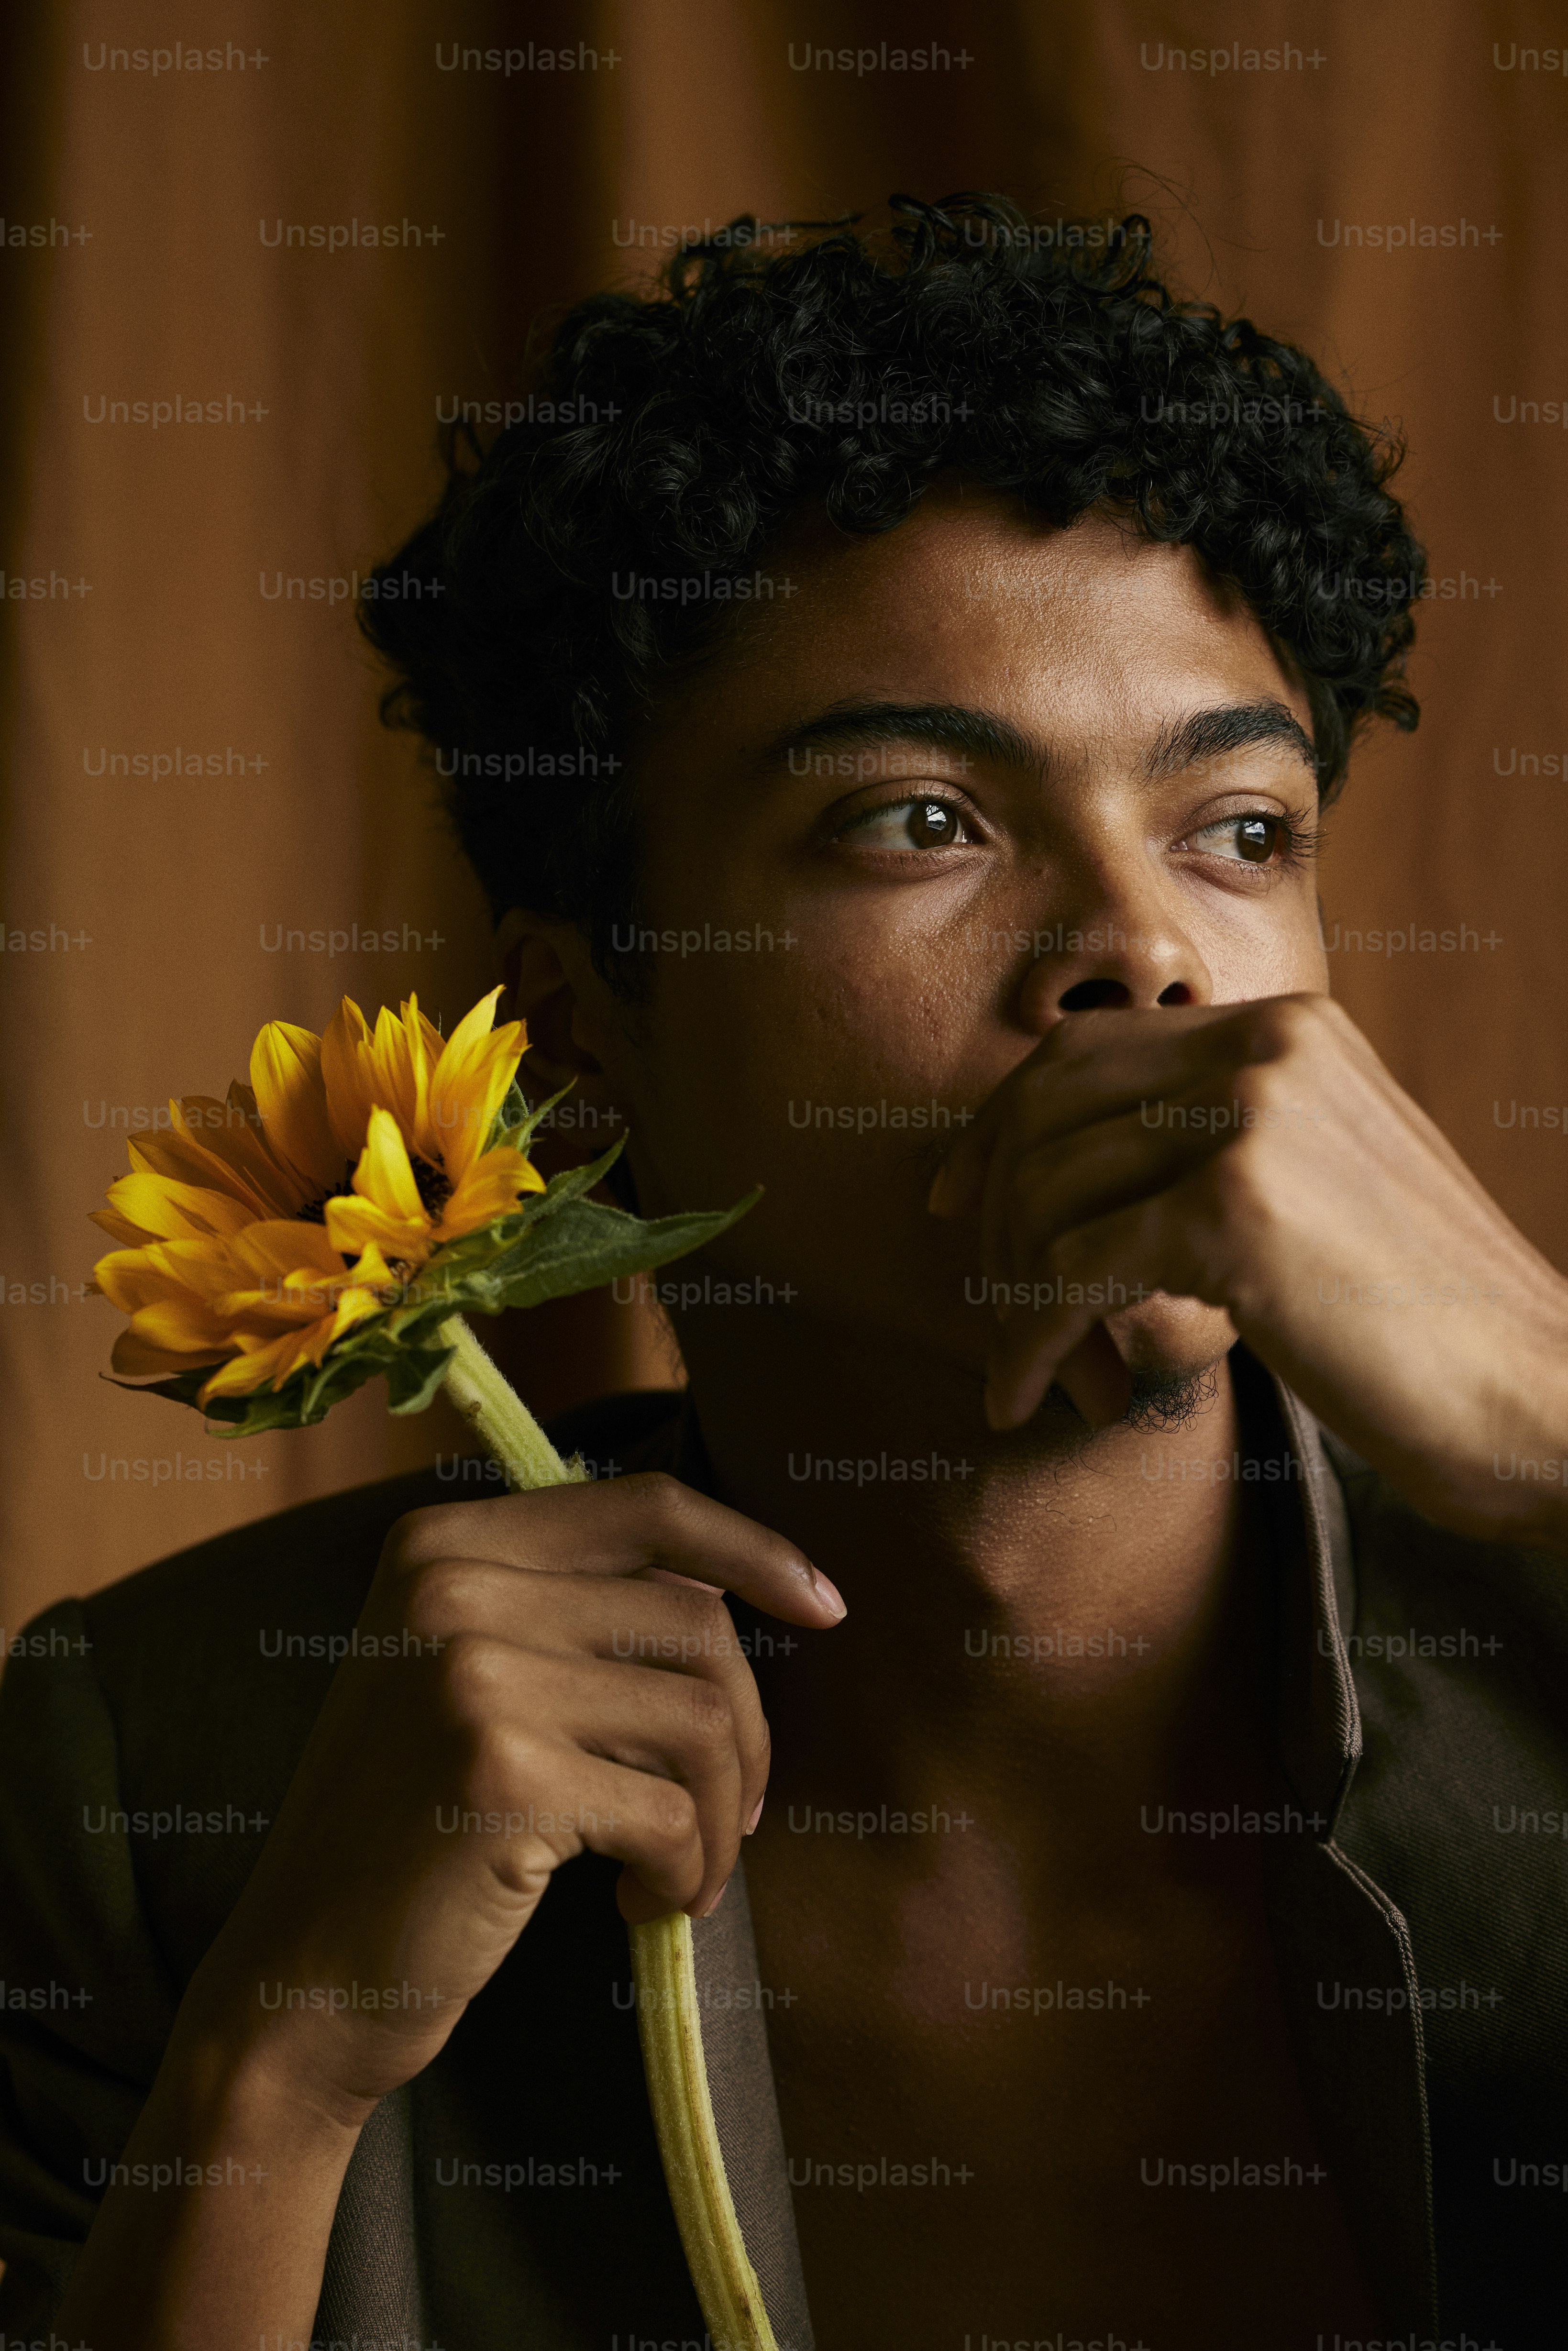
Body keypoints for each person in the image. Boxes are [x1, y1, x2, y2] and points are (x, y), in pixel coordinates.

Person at [3, 195, 1564, 2351]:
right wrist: (274, 2074)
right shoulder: (171, 1778)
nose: (1147, 946)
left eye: (1241, 829)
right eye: (922, 820)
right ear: (583, 1024)